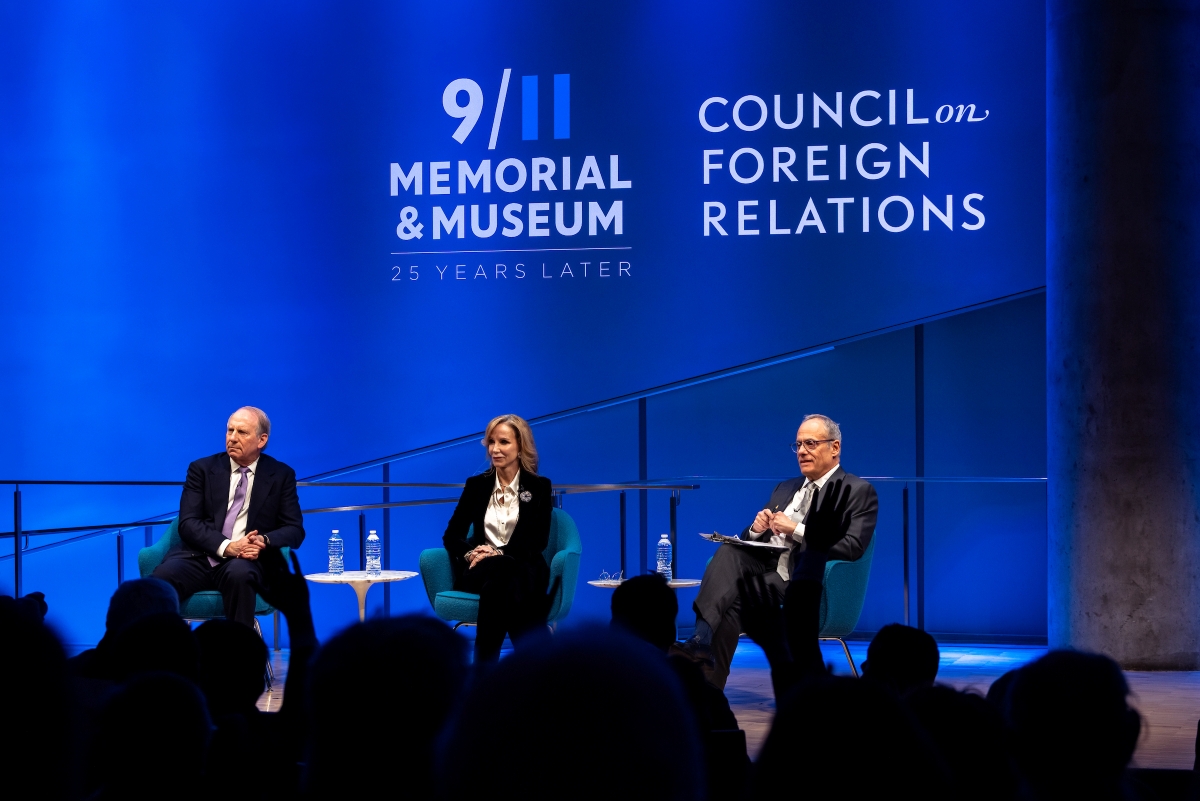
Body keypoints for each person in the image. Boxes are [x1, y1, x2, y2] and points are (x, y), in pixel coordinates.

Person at [681, 413, 879, 688]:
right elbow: (753, 539)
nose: (801, 451)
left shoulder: (857, 490)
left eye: (810, 443)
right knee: (728, 552)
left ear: (835, 448)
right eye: (797, 445)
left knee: (736, 604)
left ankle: (707, 689)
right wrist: (756, 527)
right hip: (766, 566)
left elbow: (853, 547)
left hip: (801, 578)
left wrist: (795, 529)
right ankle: (700, 643)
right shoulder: (786, 487)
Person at [153, 406, 305, 628]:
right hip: (198, 556)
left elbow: (294, 530)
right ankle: (158, 657)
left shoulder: (281, 475)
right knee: (160, 581)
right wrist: (227, 546)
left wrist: (264, 541)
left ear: (261, 440)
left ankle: (237, 657)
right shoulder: (202, 469)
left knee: (240, 576)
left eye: (241, 432)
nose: (232, 438)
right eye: (229, 430)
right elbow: (188, 523)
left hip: (245, 561)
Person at [441, 413, 553, 662]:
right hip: (479, 569)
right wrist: (472, 553)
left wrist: (499, 553)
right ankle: (537, 665)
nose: (495, 449)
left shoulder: (539, 487)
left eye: (504, 442)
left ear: (520, 446)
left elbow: (538, 541)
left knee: (499, 585)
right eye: (491, 442)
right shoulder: (476, 485)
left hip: (522, 568)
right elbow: (452, 535)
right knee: (504, 575)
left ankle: (483, 670)